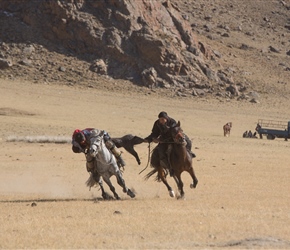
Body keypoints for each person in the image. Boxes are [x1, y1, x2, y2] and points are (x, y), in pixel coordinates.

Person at [144, 111, 196, 176]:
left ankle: (189, 152)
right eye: (160, 119)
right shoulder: (157, 123)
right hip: (164, 140)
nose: (161, 121)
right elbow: (154, 133)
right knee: (161, 150)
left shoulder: (172, 121)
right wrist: (151, 138)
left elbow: (175, 131)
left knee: (188, 141)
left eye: (163, 119)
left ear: (166, 118)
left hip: (174, 138)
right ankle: (170, 168)